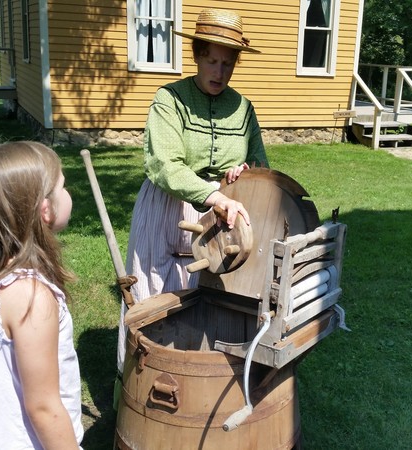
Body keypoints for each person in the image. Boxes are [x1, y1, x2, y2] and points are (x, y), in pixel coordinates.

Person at [117, 8, 268, 375]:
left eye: (228, 63)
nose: (219, 71)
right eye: (212, 60)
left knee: (213, 296)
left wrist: (244, 173)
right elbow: (164, 165)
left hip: (222, 215)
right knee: (158, 295)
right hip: (170, 207)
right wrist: (213, 195)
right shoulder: (169, 99)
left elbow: (261, 164)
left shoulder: (243, 109)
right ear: (197, 55)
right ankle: (143, 380)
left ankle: (199, 379)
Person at [0, 141, 83, 449]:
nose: (67, 193)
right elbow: (44, 408)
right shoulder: (30, 297)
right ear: (45, 209)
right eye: (63, 186)